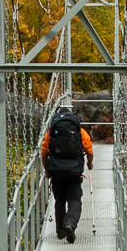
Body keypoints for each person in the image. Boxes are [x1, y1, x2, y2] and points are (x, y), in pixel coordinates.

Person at [40, 104, 94, 243]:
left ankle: (60, 231)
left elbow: (44, 152)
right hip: (74, 171)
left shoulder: (52, 132)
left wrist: (47, 170)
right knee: (75, 200)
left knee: (60, 201)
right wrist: (89, 163)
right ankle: (70, 223)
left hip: (56, 171)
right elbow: (89, 150)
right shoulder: (79, 131)